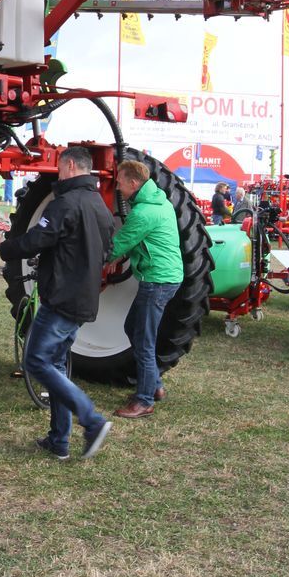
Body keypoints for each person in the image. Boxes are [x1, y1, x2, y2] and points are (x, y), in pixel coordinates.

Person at [0, 147, 114, 461]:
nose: (57, 175)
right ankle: (59, 440)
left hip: (60, 299)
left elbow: (36, 239)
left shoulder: (65, 203)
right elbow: (104, 250)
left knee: (36, 362)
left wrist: (2, 246)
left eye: (59, 169)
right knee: (57, 366)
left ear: (70, 166)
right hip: (82, 298)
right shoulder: (99, 205)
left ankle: (91, 420)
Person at [107, 159, 184, 418]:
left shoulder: (143, 212)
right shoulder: (160, 202)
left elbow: (119, 243)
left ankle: (144, 400)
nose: (117, 186)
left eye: (119, 181)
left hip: (157, 281)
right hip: (165, 277)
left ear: (133, 182)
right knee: (134, 329)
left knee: (144, 340)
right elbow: (137, 239)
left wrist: (95, 259)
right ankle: (155, 386)